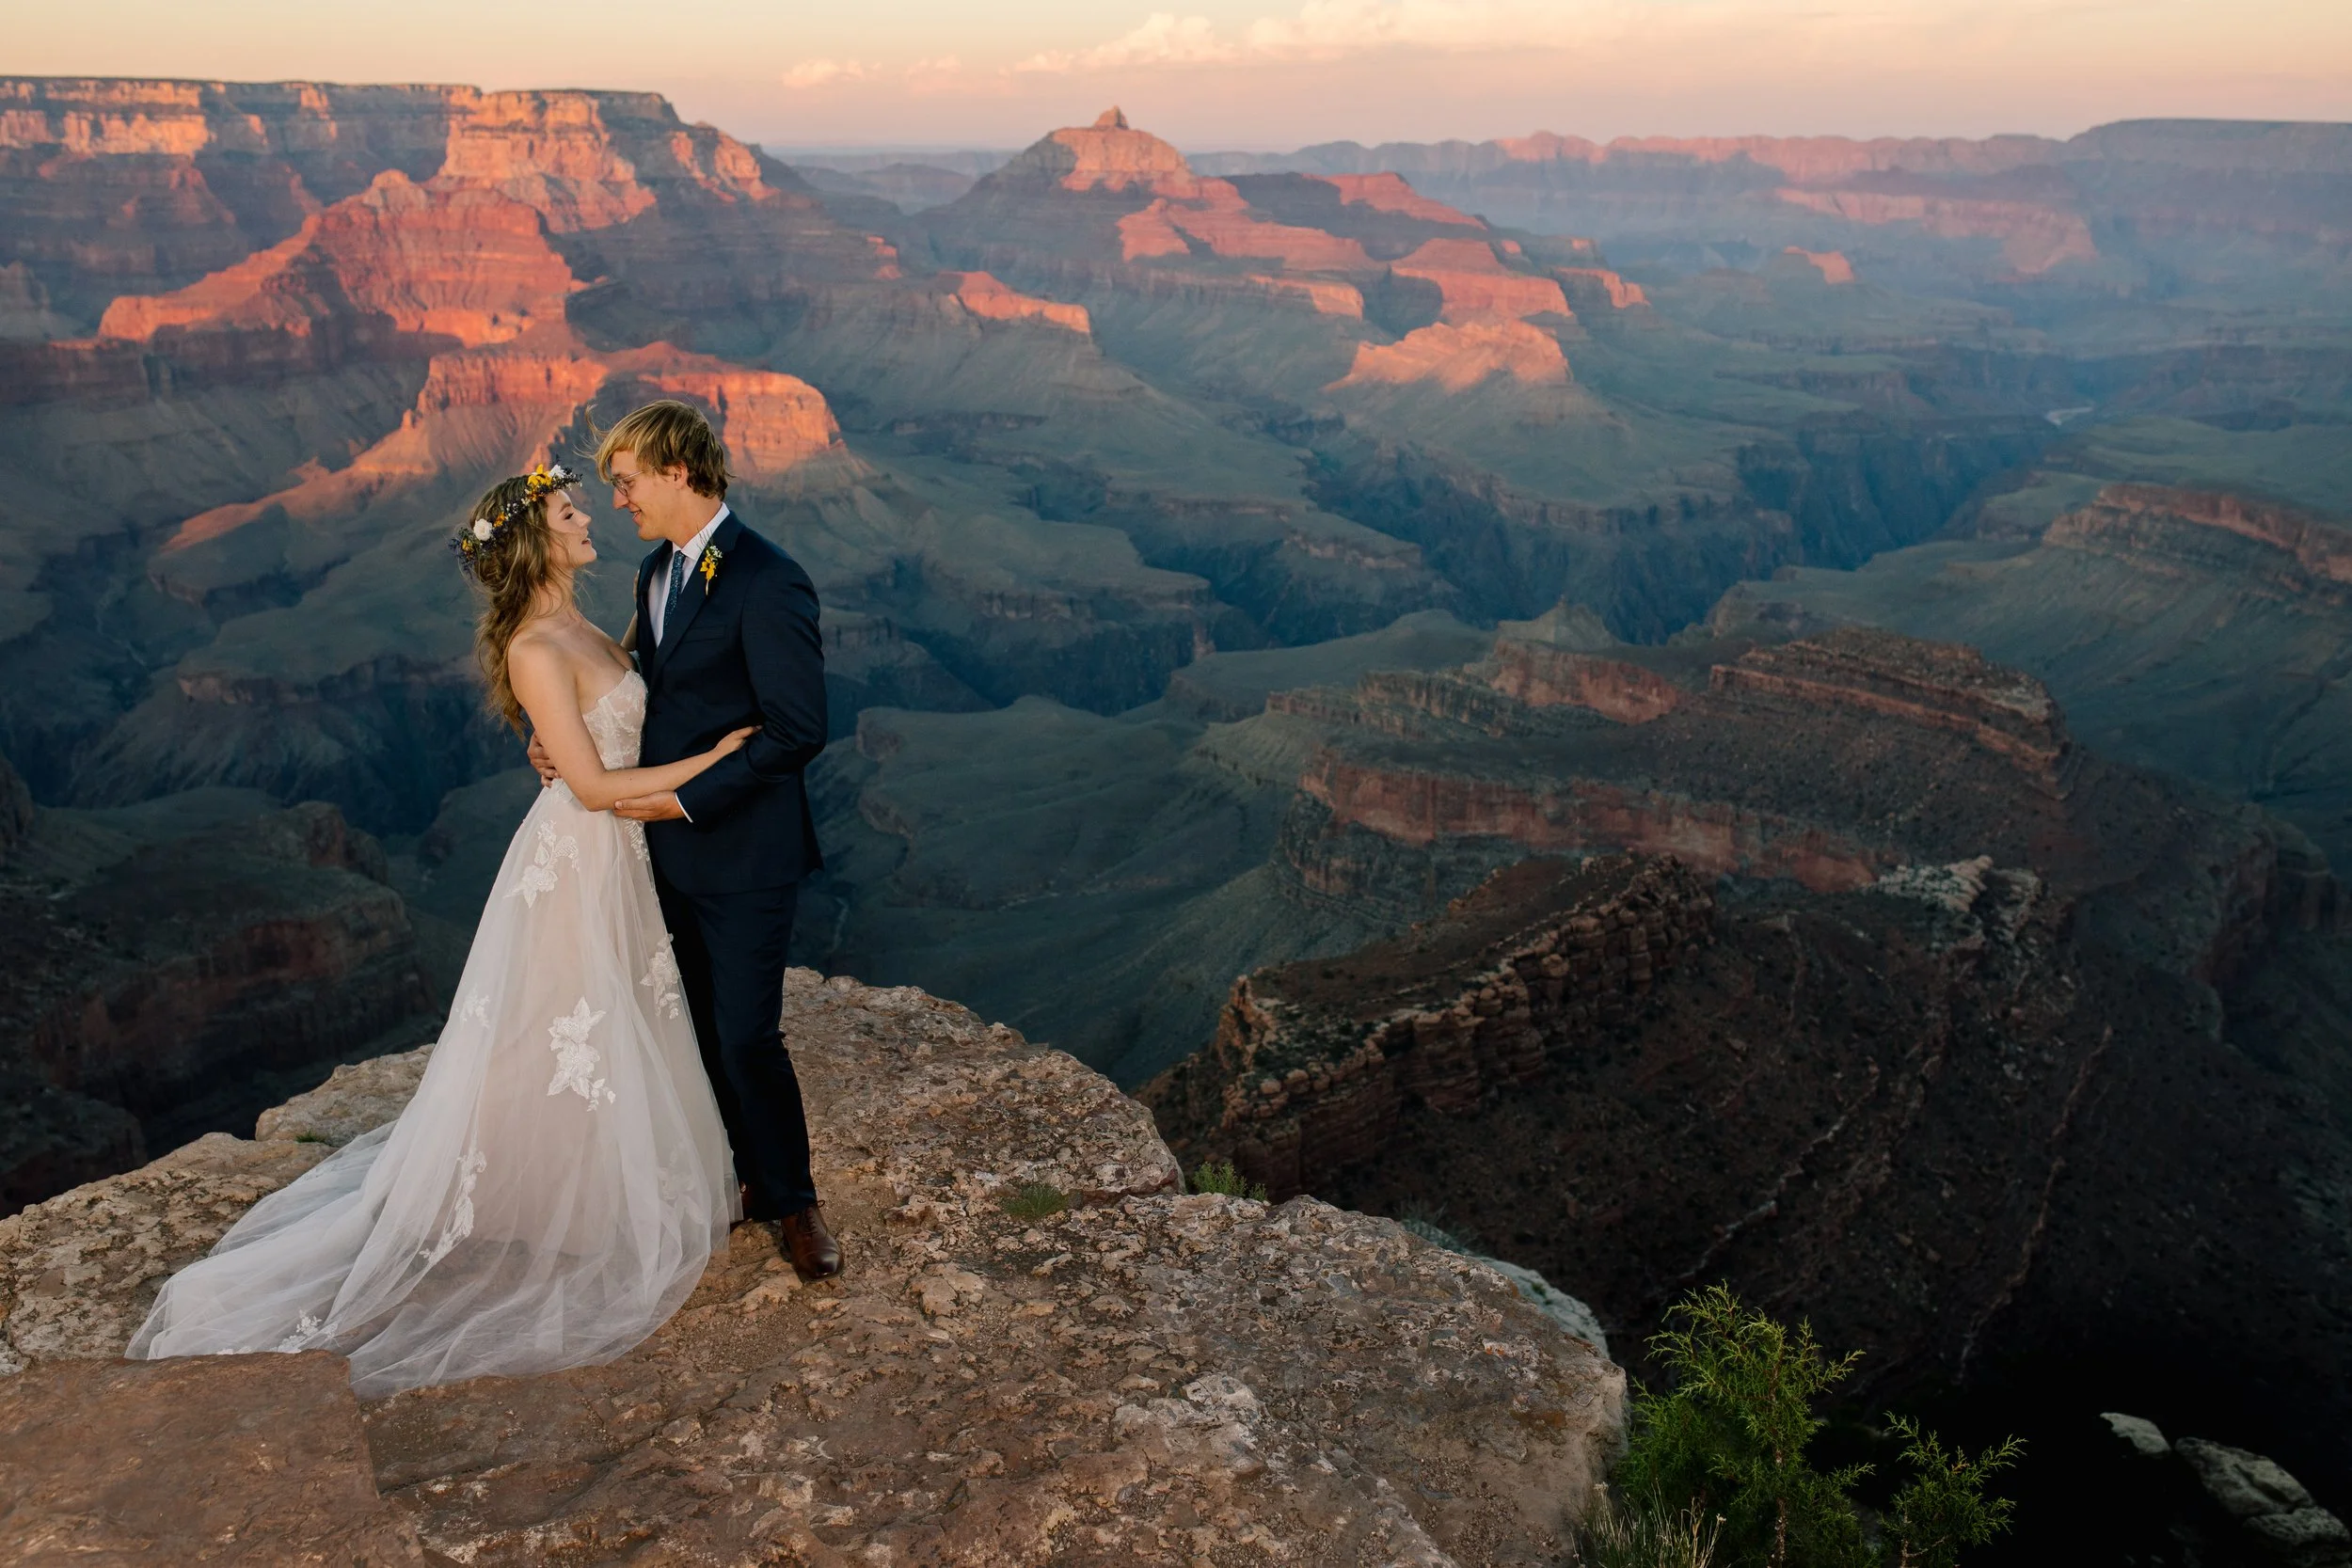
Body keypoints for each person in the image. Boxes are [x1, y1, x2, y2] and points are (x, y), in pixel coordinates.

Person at [129, 464, 748, 1396]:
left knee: (607, 1015)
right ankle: (565, 1198)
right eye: (568, 512)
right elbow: (586, 785)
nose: (590, 519)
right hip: (580, 854)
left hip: (622, 852)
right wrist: (719, 759)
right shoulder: (537, 646)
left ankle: (592, 1182)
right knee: (575, 1022)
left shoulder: (594, 613)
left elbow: (601, 728)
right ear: (534, 541)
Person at [536, 400, 839, 1281]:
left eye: (627, 482)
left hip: (743, 854)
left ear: (677, 471)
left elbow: (796, 731)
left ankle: (794, 1201)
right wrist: (556, 734)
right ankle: (736, 1176)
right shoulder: (653, 572)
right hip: (660, 854)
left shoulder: (767, 578)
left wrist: (687, 801)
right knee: (697, 1028)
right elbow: (638, 684)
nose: (618, 499)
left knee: (749, 1034)